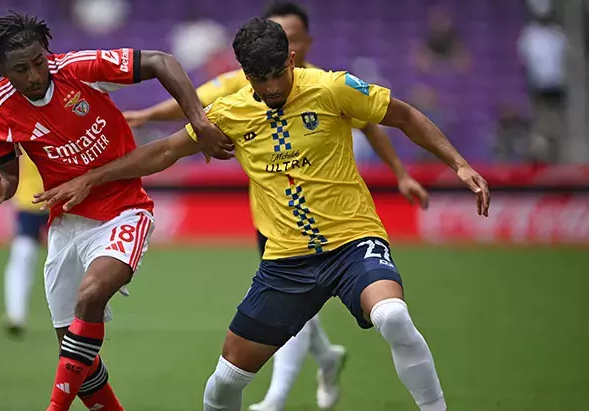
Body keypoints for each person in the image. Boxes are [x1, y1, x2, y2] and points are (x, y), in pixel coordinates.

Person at [34, 18, 490, 411]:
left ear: (291, 60)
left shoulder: (332, 87)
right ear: (244, 73)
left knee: (392, 315)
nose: (271, 88)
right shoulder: (230, 111)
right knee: (223, 385)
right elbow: (164, 152)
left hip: (354, 243)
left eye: (277, 75)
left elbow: (404, 116)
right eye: (259, 78)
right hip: (285, 262)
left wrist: (460, 164)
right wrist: (91, 178)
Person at [123, 3, 429, 410]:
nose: (269, 84)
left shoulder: (329, 86)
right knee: (292, 316)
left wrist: (401, 173)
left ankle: (276, 398)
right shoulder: (239, 89)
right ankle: (325, 358)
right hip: (275, 225)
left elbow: (377, 122)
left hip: (343, 232)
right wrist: (147, 116)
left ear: (296, 48)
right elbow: (192, 107)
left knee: (339, 313)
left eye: (294, 36)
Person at [0, 11, 231, 411]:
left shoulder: (78, 70)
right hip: (66, 222)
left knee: (90, 296)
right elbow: (8, 173)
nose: (35, 75)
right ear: (2, 71)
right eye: (21, 69)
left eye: (39, 62)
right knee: (77, 356)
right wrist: (0, 188)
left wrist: (200, 121)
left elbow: (162, 62)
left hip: (124, 209)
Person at [1, 152, 48, 337]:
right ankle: (15, 315)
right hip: (29, 202)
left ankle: (76, 316)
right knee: (23, 255)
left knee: (69, 260)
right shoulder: (20, 136)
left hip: (61, 200)